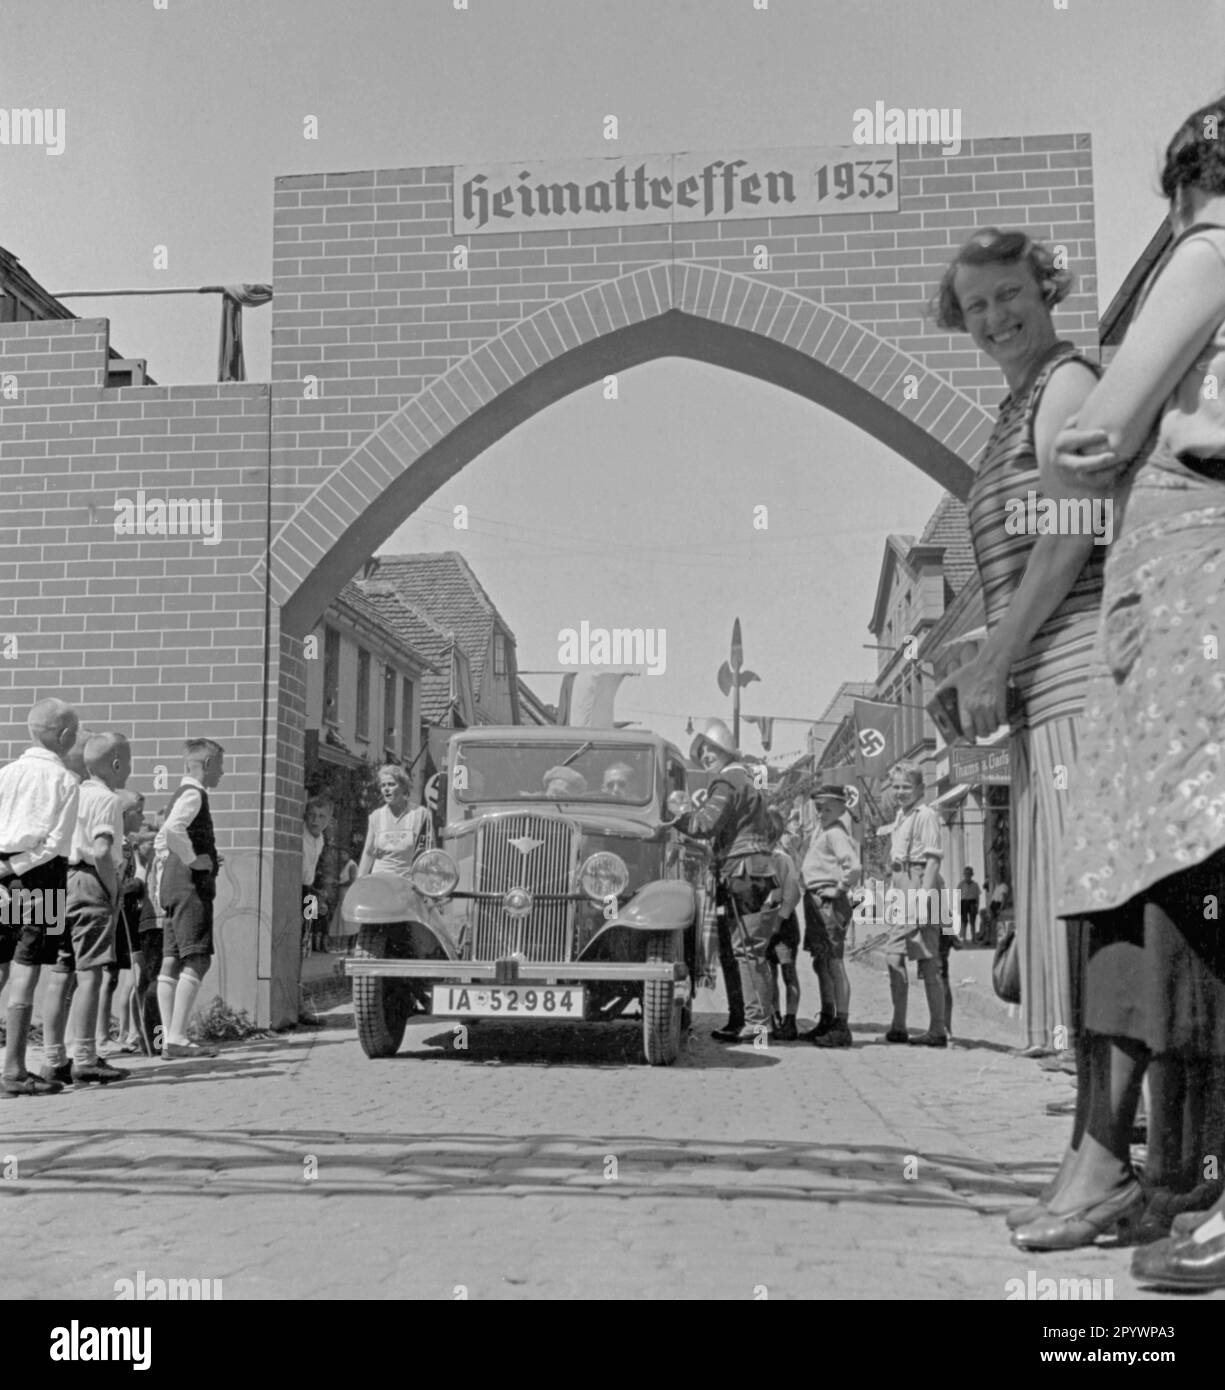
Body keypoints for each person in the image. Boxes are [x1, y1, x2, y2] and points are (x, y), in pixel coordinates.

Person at [1015, 99, 1225, 1279]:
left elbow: (1092, 440)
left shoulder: (1207, 248)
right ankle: (1164, 1172)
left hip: (1189, 572)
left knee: (1174, 869)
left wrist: (1084, 429)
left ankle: (1149, 1171)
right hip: (1181, 579)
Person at [675, 719, 776, 1043]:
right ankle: (741, 1019)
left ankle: (758, 1024)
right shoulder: (745, 778)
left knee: (745, 949)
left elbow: (705, 823)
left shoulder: (728, 780)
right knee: (738, 951)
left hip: (741, 871)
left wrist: (676, 816)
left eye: (710, 749)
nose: (705, 756)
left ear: (725, 750)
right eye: (702, 751)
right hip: (748, 869)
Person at [39, 732, 131, 1087]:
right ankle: (86, 1057)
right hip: (91, 881)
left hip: (59, 880)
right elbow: (103, 850)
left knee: (61, 970)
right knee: (91, 971)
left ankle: (53, 1058)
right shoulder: (107, 800)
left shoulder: (71, 792)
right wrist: (112, 888)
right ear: (118, 765)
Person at [0, 698, 80, 1097]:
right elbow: (53, 844)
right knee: (28, 967)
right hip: (42, 878)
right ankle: (14, 1069)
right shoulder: (65, 781)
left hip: (2, 872)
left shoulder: (6, 774)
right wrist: (17, 868)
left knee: (3, 961)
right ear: (65, 737)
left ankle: (12, 1066)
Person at [152, 737, 225, 1061]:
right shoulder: (194, 793)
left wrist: (196, 856)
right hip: (189, 886)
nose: (221, 773)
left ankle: (170, 1038)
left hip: (172, 883)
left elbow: (161, 839)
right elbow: (172, 829)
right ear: (207, 764)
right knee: (197, 957)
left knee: (172, 958)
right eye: (220, 766)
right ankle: (178, 1036)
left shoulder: (179, 794)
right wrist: (194, 861)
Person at [881, 763, 947, 1047]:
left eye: (907, 787)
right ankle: (899, 1025)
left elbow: (933, 860)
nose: (900, 792)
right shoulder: (901, 815)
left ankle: (936, 1029)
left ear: (920, 789)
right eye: (896, 787)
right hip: (902, 883)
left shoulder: (926, 814)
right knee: (895, 956)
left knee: (929, 961)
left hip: (921, 882)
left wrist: (923, 898)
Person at [799, 785, 861, 1047]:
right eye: (819, 809)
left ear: (841, 809)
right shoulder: (821, 831)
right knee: (821, 962)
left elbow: (854, 865)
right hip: (816, 899)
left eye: (827, 809)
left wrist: (841, 888)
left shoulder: (835, 832)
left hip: (829, 901)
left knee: (834, 963)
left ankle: (842, 1025)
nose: (821, 813)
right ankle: (827, 1017)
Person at [95, 788, 143, 1057]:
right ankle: (100, 1034)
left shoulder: (127, 843)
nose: (142, 817)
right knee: (103, 973)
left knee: (110, 975)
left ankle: (104, 1033)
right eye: (139, 812)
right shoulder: (119, 844)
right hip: (113, 911)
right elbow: (120, 881)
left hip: (119, 912)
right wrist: (136, 886)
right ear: (124, 814)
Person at [763, 810, 803, 1041]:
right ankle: (774, 1015)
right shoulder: (757, 859)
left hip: (783, 923)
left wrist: (778, 920)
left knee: (788, 972)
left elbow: (792, 894)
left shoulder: (782, 859)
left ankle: (791, 1018)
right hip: (766, 922)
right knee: (769, 974)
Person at [358, 764, 433, 879]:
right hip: (379, 885)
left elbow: (429, 854)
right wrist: (359, 884)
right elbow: (368, 854)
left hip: (406, 885)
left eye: (391, 784)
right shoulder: (376, 816)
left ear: (403, 787)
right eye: (383, 785)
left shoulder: (420, 814)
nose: (386, 789)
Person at [301, 795, 333, 956]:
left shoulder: (321, 838)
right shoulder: (299, 834)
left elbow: (319, 870)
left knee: (309, 925)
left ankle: (299, 975)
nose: (315, 820)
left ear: (328, 820)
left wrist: (321, 897)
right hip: (295, 888)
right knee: (297, 932)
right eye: (312, 815)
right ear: (306, 815)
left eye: (321, 816)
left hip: (309, 890)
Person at [959, 867, 981, 944]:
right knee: (964, 921)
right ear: (964, 875)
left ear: (972, 875)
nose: (968, 876)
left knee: (972, 921)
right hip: (964, 902)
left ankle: (973, 938)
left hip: (972, 902)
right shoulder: (961, 884)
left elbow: (978, 897)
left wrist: (977, 907)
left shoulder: (975, 885)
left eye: (969, 874)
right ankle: (964, 938)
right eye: (966, 874)